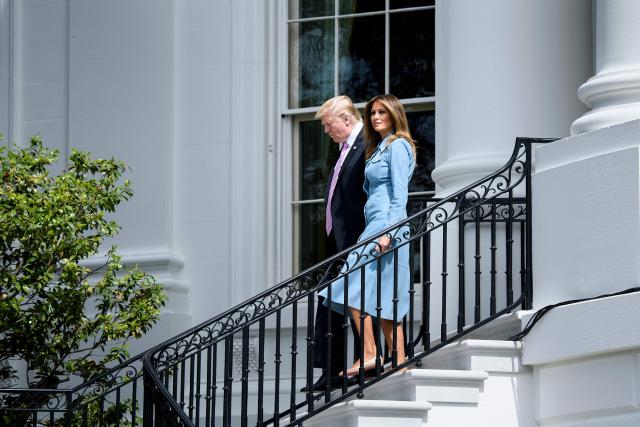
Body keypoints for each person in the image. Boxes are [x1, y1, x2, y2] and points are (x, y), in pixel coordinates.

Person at [320, 94, 416, 376]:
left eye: (382, 112)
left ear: (394, 115)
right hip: (373, 227)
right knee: (380, 294)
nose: (375, 117)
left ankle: (373, 354)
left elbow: (400, 196)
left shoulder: (398, 146)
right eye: (373, 112)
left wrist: (389, 232)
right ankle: (397, 359)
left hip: (386, 228)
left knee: (352, 282)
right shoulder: (379, 148)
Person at [304, 95, 367, 392]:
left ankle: (364, 360)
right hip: (337, 242)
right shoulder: (344, 150)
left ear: (346, 118)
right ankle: (330, 371)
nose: (326, 131)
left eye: (328, 125)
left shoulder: (368, 143)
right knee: (328, 302)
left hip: (357, 238)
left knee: (358, 301)